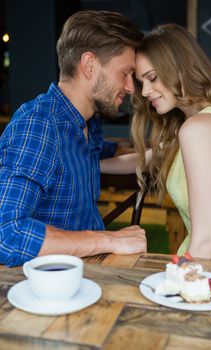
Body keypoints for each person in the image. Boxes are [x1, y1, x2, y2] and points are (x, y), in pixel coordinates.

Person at [0, 10, 147, 267]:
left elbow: (107, 153)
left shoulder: (86, 123)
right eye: (124, 73)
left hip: (87, 276)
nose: (130, 87)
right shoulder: (39, 125)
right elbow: (6, 235)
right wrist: (108, 239)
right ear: (89, 65)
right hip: (47, 291)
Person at [131, 23, 211, 260]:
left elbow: (209, 243)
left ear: (179, 69)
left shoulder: (198, 130)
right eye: (141, 82)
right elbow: (147, 158)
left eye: (152, 78)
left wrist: (182, 289)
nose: (145, 91)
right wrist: (89, 161)